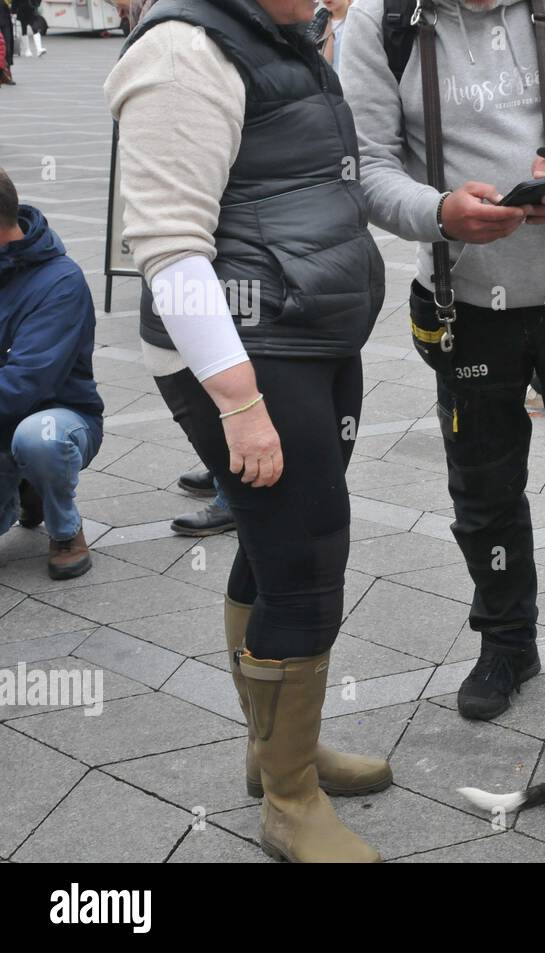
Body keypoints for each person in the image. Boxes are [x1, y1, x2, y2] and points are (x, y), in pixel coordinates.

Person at [106, 0, 391, 862]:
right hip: (247, 351)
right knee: (305, 563)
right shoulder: (184, 52)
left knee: (275, 547)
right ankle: (289, 800)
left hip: (302, 333)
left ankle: (276, 753)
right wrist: (239, 403)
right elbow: (170, 249)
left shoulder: (273, 34)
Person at [339, 0, 545, 720]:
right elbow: (363, 165)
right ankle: (506, 640)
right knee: (481, 488)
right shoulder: (382, 18)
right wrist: (437, 212)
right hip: (463, 305)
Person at [1, 169, 105, 580]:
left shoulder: (60, 281)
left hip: (58, 417)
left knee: (39, 437)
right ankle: (28, 486)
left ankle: (65, 529)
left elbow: (25, 384)